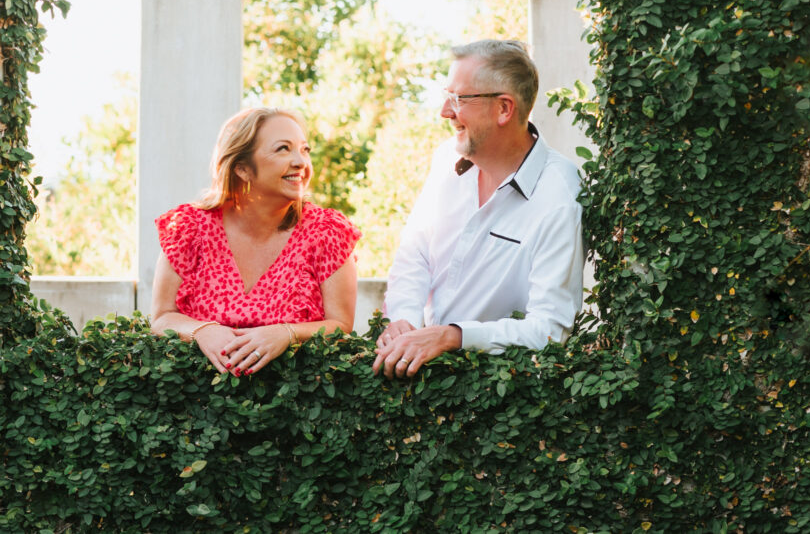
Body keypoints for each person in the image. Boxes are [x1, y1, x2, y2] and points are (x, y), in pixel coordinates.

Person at [372, 40, 584, 379]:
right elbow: (415, 254)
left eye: (459, 98)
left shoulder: (559, 193)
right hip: (421, 380)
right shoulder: (444, 159)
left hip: (505, 395)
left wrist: (455, 336)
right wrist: (403, 320)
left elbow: (550, 328)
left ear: (504, 108)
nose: (444, 111)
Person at [151, 107, 360, 376]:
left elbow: (341, 324)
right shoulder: (188, 229)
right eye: (283, 149)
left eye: (305, 149)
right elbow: (161, 316)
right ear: (242, 168)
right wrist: (203, 331)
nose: (300, 162)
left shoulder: (328, 232)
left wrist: (286, 334)